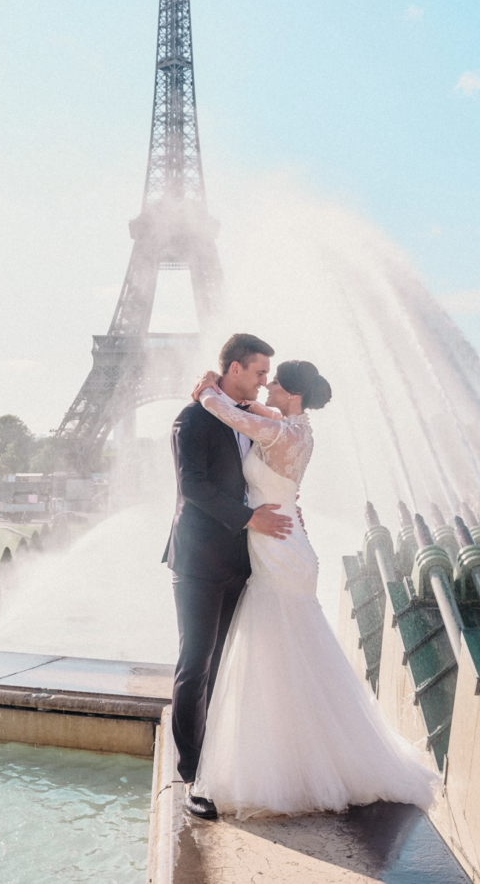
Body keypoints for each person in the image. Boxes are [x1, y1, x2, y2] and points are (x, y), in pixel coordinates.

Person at [184, 358, 438, 820]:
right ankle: (294, 751)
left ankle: (281, 761)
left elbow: (234, 417)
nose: (268, 386)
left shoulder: (284, 431)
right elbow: (248, 416)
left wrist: (206, 391)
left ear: (293, 395)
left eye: (275, 382)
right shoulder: (288, 425)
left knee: (280, 651)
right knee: (288, 653)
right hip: (281, 539)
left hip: (278, 547)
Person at [165, 334, 292, 822]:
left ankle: (217, 762)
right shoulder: (192, 417)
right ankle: (192, 775)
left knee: (221, 664)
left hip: (239, 561)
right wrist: (248, 518)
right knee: (195, 664)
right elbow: (191, 486)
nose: (264, 383)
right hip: (197, 560)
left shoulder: (250, 416)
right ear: (235, 368)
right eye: (259, 372)